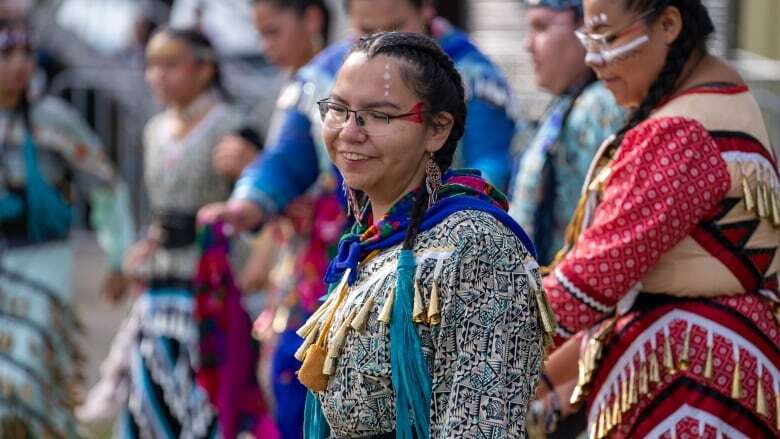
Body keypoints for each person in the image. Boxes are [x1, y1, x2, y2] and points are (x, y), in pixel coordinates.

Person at [540, 1, 780, 438]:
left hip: (688, 377)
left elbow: (594, 278)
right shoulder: (724, 95)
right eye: (589, 40)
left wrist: (483, 339)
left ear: (669, 24)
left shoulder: (679, 132)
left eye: (607, 38)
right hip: (716, 364)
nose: (594, 59)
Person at [297, 31, 551, 439]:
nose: (349, 131)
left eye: (379, 116)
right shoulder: (370, 246)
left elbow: (480, 427)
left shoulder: (475, 246)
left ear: (436, 130)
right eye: (339, 110)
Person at [199, 0, 521, 233]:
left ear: (425, 9)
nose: (382, 44)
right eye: (366, 31)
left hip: (437, 237)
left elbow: (489, 165)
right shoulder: (325, 75)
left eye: (395, 28)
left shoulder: (472, 76)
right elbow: (287, 158)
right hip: (349, 246)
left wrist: (455, 223)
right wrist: (248, 204)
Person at [115, 27, 273, 438]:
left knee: (211, 400)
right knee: (154, 397)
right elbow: (159, 208)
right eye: (151, 65)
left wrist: (251, 165)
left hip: (213, 286)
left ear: (204, 69)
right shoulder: (153, 130)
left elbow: (260, 205)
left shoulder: (235, 129)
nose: (156, 76)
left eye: (170, 64)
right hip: (158, 288)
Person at [0, 18, 134, 437]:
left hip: (45, 259)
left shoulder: (54, 120)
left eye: (26, 54)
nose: (20, 64)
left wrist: (119, 257)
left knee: (29, 375)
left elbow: (107, 188)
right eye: (7, 54)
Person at [509, 0, 624, 265]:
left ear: (586, 27)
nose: (528, 44)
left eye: (541, 26)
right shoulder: (570, 101)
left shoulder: (598, 107)